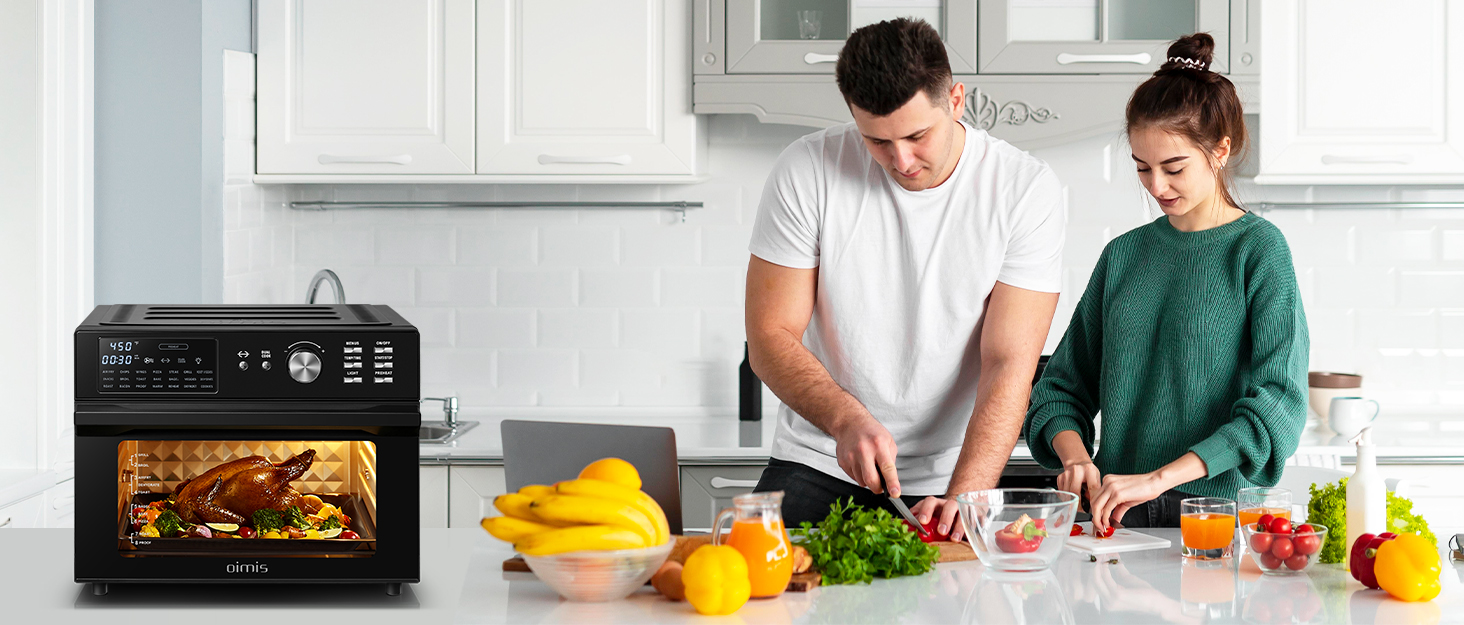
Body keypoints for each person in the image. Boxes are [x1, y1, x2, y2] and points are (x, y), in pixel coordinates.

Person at [745, 18, 1066, 540]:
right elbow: (769, 338)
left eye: (918, 135)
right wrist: (846, 418)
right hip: (819, 457)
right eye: (876, 140)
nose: (901, 160)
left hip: (953, 474)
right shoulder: (806, 169)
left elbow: (1010, 361)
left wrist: (968, 492)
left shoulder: (1024, 188)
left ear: (956, 100)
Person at [1023, 34, 1309, 534]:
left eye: (1174, 168)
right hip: (1116, 518)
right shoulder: (1124, 255)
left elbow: (1278, 406)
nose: (1157, 187)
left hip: (1214, 523)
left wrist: (1159, 479)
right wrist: (1076, 458)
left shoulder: (1258, 250)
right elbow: (1060, 388)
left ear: (1220, 151)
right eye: (1142, 168)